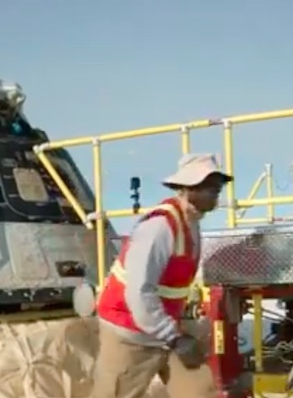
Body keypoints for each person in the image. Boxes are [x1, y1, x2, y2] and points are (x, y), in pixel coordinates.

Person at [92, 153, 233, 398]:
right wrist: (175, 338)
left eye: (218, 187)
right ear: (189, 188)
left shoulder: (191, 223)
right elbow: (139, 292)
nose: (216, 192)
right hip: (129, 331)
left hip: (165, 329)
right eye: (210, 187)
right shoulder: (159, 227)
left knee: (201, 391)